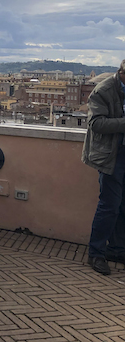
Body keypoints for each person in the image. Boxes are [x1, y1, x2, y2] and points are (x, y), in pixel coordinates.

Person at [82, 60, 125, 276]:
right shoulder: (104, 90)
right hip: (111, 156)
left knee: (122, 205)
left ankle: (117, 250)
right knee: (109, 205)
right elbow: (96, 123)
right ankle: (96, 253)